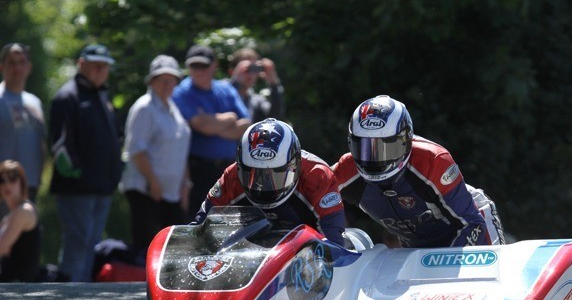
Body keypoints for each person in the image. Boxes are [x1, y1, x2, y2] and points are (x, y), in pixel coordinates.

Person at [333, 95, 504, 248]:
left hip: (471, 223)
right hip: (415, 246)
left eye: (386, 148)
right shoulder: (346, 169)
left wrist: (443, 267)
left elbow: (472, 223)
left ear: (406, 141)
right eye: (364, 149)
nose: (374, 159)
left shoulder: (433, 161)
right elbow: (312, 200)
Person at [193, 118, 346, 246]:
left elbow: (334, 247)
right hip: (246, 256)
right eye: (253, 176)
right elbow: (197, 231)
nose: (263, 186)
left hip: (304, 260)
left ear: (295, 166)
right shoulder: (231, 177)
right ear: (240, 167)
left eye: (276, 176)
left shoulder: (318, 177)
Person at [49, 44, 123, 282]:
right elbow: (59, 144)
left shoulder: (101, 96)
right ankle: (68, 297)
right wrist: (76, 171)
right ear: (82, 64)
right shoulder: (67, 96)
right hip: (77, 190)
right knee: (77, 243)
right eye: (97, 66)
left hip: (102, 187)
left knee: (90, 244)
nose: (101, 71)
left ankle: (81, 298)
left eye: (106, 67)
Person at [120, 54, 191, 254]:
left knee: (174, 247)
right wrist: (153, 181)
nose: (168, 84)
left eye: (172, 79)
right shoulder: (144, 108)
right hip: (147, 190)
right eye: (163, 79)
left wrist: (185, 183)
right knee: (147, 246)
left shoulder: (173, 109)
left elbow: (179, 149)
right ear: (152, 81)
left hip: (171, 192)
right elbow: (135, 149)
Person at [172, 44, 250, 213]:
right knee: (200, 220)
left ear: (214, 65)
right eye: (194, 66)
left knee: (230, 221)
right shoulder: (181, 92)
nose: (199, 70)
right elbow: (200, 125)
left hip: (229, 170)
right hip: (198, 170)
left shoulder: (226, 89)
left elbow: (245, 125)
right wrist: (230, 118)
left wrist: (212, 123)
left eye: (204, 65)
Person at [0, 43, 47, 218]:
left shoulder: (35, 103)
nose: (17, 67)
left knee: (24, 243)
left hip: (29, 186)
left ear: (29, 67)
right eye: (11, 62)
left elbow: (41, 143)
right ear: (2, 67)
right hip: (3, 187)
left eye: (21, 62)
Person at [0, 160, 41, 282]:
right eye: (2, 180)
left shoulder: (23, 211)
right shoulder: (11, 215)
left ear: (21, 183)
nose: (7, 185)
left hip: (19, 286)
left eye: (12, 179)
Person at [228, 47, 285, 122]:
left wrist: (274, 83)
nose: (251, 74)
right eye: (247, 69)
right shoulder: (220, 91)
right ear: (232, 71)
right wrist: (235, 83)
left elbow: (275, 118)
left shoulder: (256, 101)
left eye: (255, 68)